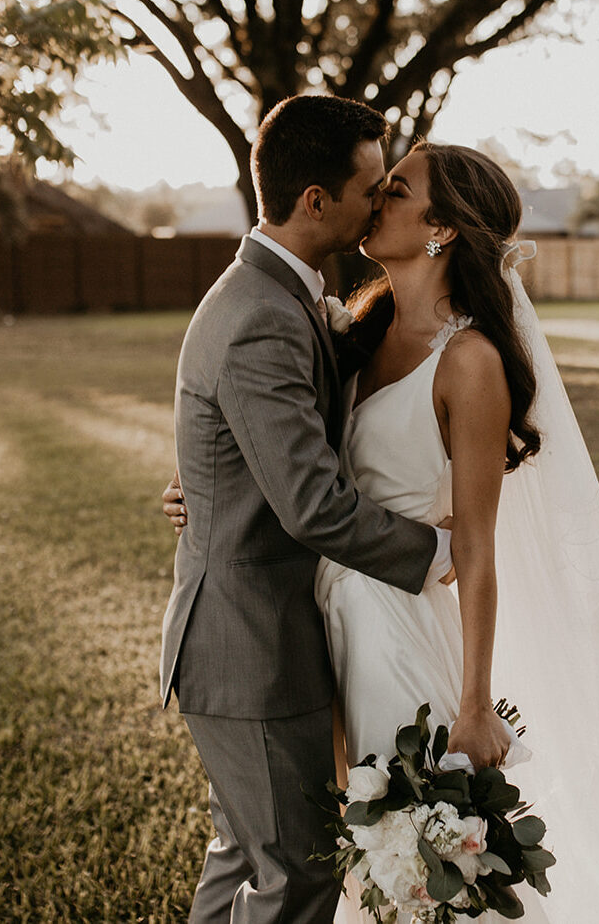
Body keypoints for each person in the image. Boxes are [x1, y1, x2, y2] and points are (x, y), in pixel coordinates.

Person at [167, 142, 599, 922]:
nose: (375, 201)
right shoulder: (352, 329)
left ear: (442, 231)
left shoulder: (468, 360)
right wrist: (205, 489)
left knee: (409, 860)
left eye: (394, 190)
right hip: (315, 624)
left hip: (394, 629)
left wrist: (474, 703)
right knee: (319, 847)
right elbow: (281, 446)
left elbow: (474, 545)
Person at [162, 95, 459, 924]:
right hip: (249, 644)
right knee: (295, 875)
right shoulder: (259, 312)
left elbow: (262, 442)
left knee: (248, 857)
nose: (381, 200)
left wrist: (209, 486)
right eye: (372, 187)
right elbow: (310, 504)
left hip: (261, 634)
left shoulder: (290, 295)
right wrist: (437, 553)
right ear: (317, 200)